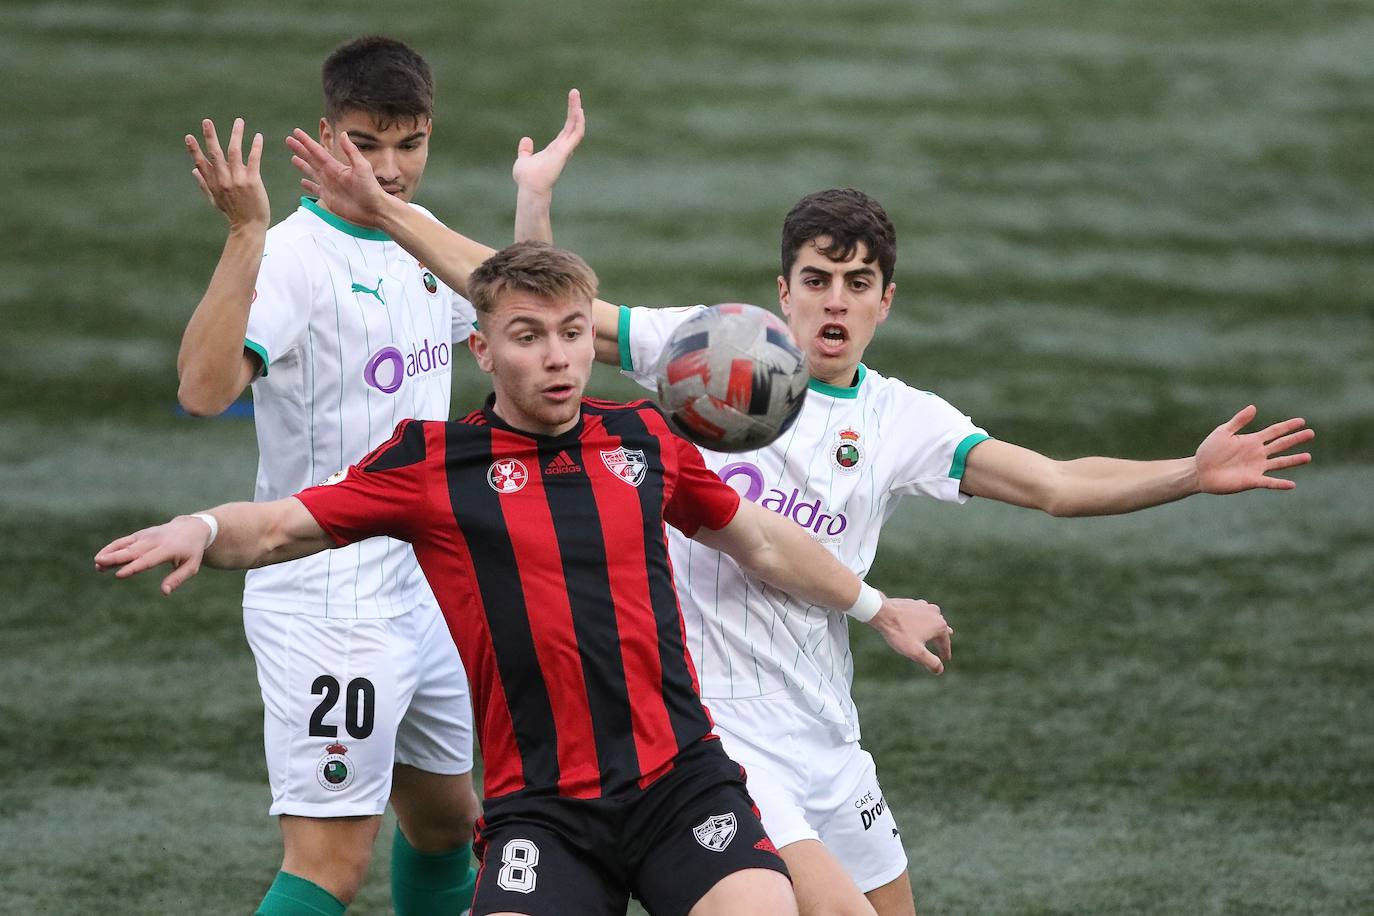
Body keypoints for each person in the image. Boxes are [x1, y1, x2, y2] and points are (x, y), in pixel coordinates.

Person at [286, 129, 1316, 914]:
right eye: (816, 279)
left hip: (828, 729)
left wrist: (1188, 471)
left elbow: (1049, 482)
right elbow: (518, 295)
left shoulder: (902, 418)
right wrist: (386, 207)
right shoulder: (707, 352)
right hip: (714, 738)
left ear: (885, 302)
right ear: (781, 290)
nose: (834, 300)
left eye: (857, 285)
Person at [97, 241, 959, 916]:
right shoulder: (433, 466)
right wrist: (202, 527)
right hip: (543, 808)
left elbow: (762, 543)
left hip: (681, 782)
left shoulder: (641, 438)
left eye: (574, 333)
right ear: (482, 349)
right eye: (529, 336)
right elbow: (284, 525)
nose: (558, 358)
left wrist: (878, 608)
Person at [174, 36, 581, 915]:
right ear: (326, 135)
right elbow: (203, 392)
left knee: (447, 820)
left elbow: (531, 308)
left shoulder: (421, 244)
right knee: (330, 863)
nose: (390, 169)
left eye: (410, 143)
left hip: (423, 586)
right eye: (365, 143)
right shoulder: (292, 258)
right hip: (324, 598)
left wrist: (532, 203)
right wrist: (246, 231)